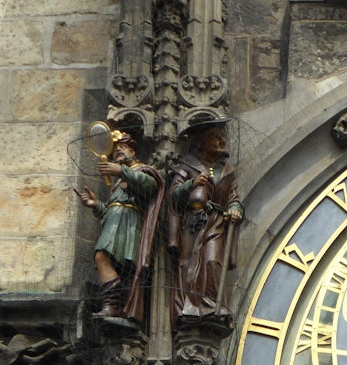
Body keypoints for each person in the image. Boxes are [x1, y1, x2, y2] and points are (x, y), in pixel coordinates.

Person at [74, 131, 164, 321]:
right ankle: (114, 305)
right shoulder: (120, 182)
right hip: (115, 222)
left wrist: (120, 170)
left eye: (122, 149)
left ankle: (113, 305)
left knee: (102, 256)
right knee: (110, 262)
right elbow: (109, 210)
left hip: (128, 224)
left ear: (132, 150)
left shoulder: (143, 171)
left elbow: (150, 186)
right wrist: (95, 205)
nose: (118, 154)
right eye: (116, 152)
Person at [167, 119, 243, 325]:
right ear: (202, 142)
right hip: (193, 223)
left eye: (222, 136)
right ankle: (189, 308)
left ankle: (212, 306)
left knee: (212, 262)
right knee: (189, 264)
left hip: (216, 222)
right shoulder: (188, 165)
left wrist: (235, 209)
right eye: (215, 137)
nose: (222, 140)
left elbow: (234, 197)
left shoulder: (226, 170)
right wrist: (192, 183)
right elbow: (174, 195)